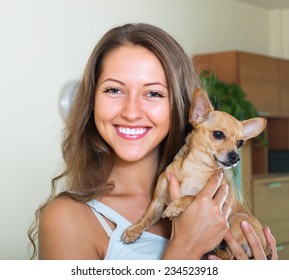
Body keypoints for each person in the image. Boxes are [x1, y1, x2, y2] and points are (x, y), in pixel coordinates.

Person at [28, 23, 277, 260]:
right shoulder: (67, 218)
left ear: (181, 107)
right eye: (114, 90)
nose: (131, 112)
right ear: (92, 102)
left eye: (153, 93)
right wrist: (183, 249)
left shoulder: (219, 203)